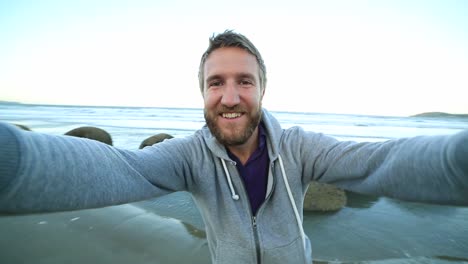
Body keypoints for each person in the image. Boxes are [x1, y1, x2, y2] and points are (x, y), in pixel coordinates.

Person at [0, 30, 467, 264]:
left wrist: (457, 161)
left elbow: (379, 163)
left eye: (244, 81)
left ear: (263, 89)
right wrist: (12, 161)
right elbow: (124, 168)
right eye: (215, 83)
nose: (229, 97)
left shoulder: (301, 149)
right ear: (202, 92)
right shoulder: (186, 156)